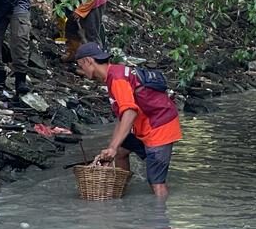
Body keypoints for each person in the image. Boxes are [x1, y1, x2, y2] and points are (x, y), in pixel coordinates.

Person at [74, 43, 181, 199]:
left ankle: (160, 218)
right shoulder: (114, 73)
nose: (81, 70)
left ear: (88, 61)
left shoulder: (116, 79)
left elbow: (130, 113)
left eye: (80, 65)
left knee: (156, 182)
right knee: (121, 152)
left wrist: (112, 147)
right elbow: (123, 116)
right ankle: (120, 191)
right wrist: (113, 147)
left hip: (159, 126)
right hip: (144, 125)